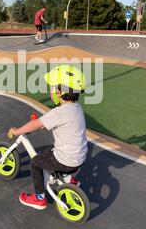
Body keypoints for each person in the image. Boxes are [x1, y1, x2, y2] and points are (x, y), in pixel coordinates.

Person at [9, 65, 88, 211]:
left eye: (53, 88)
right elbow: (51, 123)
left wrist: (17, 131)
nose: (52, 91)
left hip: (66, 160)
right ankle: (69, 179)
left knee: (36, 162)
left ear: (60, 92)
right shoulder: (76, 108)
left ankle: (39, 198)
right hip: (80, 158)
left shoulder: (60, 112)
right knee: (51, 153)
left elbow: (36, 124)